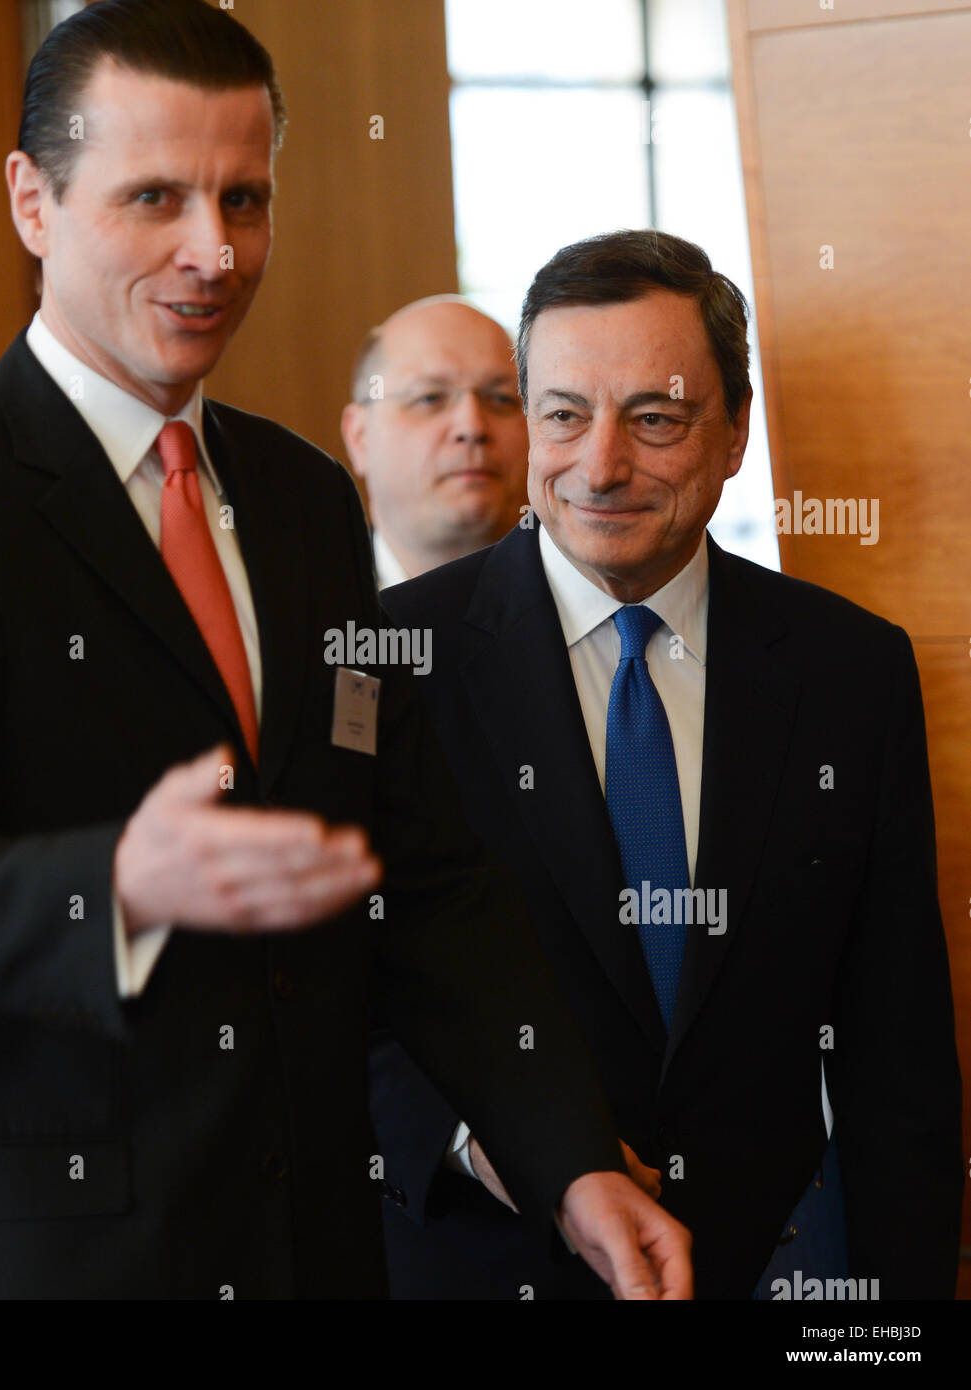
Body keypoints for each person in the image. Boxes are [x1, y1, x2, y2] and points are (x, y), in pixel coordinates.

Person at [0, 3, 690, 1300]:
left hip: (319, 1240)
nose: (213, 251)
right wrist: (120, 880)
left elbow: (427, 873)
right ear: (31, 201)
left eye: (244, 198)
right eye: (155, 197)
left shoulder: (299, 500)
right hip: (67, 1253)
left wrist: (567, 1160)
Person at [371, 230, 963, 1300]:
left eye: (654, 419)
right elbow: (333, 992)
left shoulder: (849, 670)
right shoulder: (387, 661)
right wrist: (481, 1139)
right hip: (481, 1262)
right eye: (562, 415)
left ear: (735, 430)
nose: (600, 465)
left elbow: (898, 1052)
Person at [341, 298, 527, 588]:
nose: (472, 427)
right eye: (430, 398)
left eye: (501, 398)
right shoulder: (304, 607)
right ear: (360, 436)